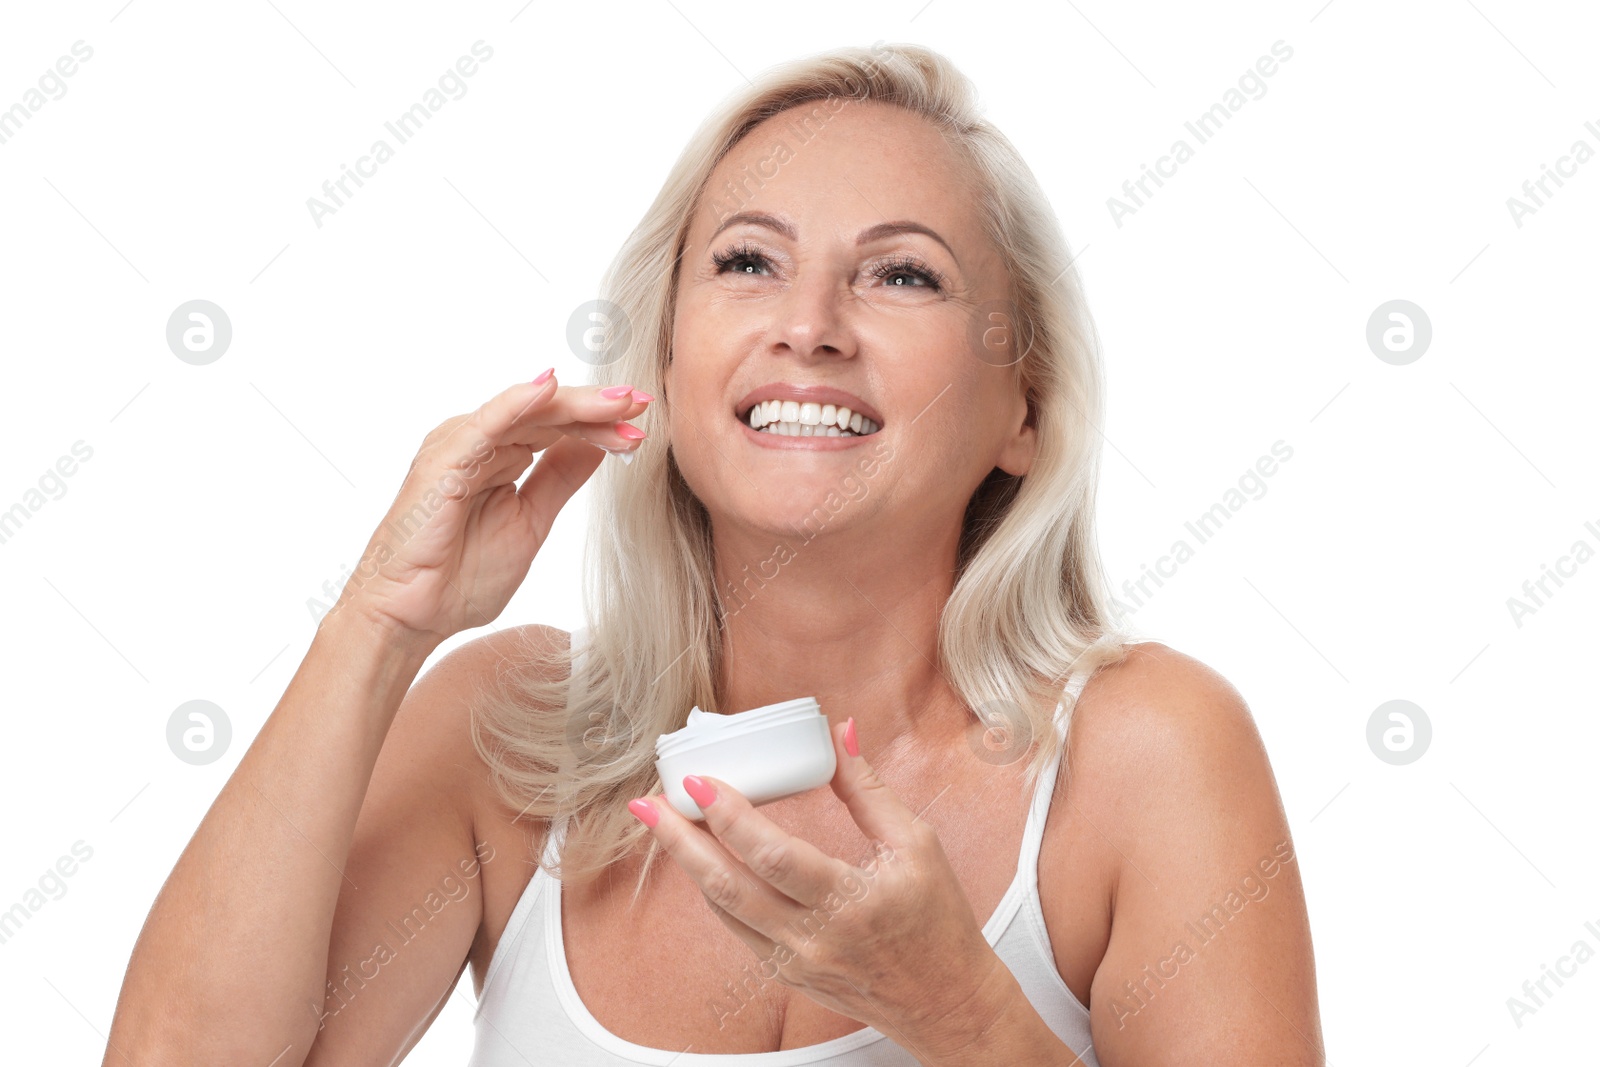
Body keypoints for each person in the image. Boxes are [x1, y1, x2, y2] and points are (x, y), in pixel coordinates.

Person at [104, 42, 1322, 1065]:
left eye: (902, 273)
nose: (808, 327)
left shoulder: (1143, 753)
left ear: (1025, 410)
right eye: (746, 261)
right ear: (668, 364)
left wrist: (961, 1010)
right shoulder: (508, 738)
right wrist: (378, 621)